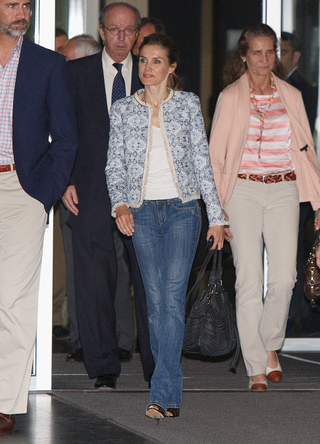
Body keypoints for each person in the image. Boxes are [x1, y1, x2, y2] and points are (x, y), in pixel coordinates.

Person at [106, 33, 226, 421]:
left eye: (156, 61)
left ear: (171, 67)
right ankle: (170, 393)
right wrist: (119, 203)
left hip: (182, 210)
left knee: (171, 301)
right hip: (140, 212)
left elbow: (203, 162)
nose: (147, 68)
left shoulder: (188, 105)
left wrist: (218, 216)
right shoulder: (123, 110)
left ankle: (161, 394)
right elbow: (115, 165)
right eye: (143, 61)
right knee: (155, 305)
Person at [209, 24, 320, 391]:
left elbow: (307, 150)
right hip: (241, 192)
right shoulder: (230, 96)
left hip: (284, 189)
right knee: (248, 280)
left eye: (269, 52)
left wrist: (318, 201)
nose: (263, 59)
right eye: (256, 52)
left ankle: (270, 343)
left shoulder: (290, 94)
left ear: (277, 54)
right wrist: (216, 211)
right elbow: (216, 159)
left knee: (285, 277)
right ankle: (256, 363)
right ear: (243, 55)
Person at [62, 2, 154, 389]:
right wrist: (63, 179)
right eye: (114, 30)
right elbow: (60, 131)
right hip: (89, 190)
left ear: (137, 34)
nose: (121, 37)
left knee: (149, 281)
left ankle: (157, 369)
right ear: (101, 31)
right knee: (94, 281)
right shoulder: (74, 74)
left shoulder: (153, 75)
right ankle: (102, 367)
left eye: (129, 31)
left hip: (145, 195)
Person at [0, 0, 77, 434]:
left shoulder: (47, 64)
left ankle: (4, 400)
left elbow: (66, 137)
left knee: (13, 299)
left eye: (26, 5)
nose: (22, 11)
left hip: (20, 191)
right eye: (12, 3)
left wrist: (42, 194)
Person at [60, 34, 101, 363]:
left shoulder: (97, 88)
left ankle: (113, 340)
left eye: (68, 61)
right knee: (78, 271)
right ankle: (81, 339)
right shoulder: (67, 87)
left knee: (112, 273)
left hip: (101, 192)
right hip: (71, 188)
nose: (64, 69)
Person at [281, 31, 318, 336]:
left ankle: (298, 314)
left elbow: (305, 140)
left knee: (297, 253)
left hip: (298, 181)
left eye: (282, 51)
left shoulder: (304, 89)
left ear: (295, 56)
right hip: (276, 181)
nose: (277, 57)